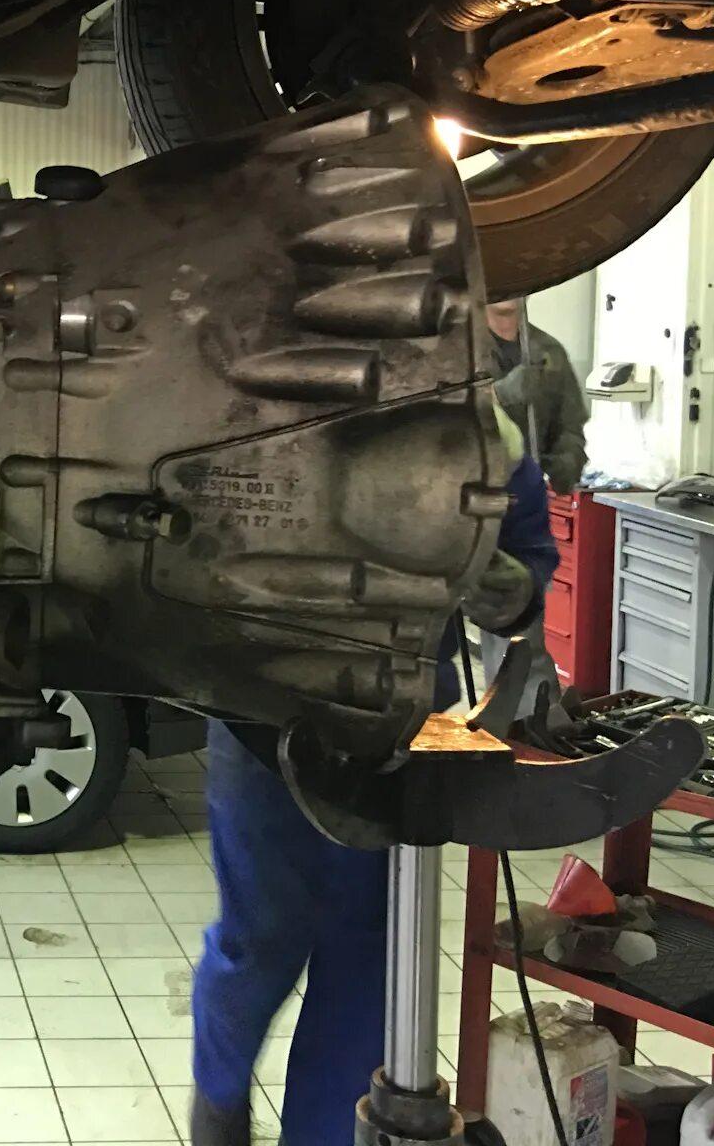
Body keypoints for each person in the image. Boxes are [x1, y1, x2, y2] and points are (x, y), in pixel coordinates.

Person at [188, 442, 560, 1146]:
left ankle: (324, 1136)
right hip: (259, 703)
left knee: (367, 952)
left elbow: (526, 563)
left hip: (398, 714)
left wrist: (507, 585)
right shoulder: (262, 412)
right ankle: (218, 1108)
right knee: (260, 936)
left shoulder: (484, 431)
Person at [486, 297, 589, 494]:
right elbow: (442, 414)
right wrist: (498, 394)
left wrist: (567, 462)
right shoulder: (458, 349)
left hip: (532, 495)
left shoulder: (550, 352)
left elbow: (570, 424)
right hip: (475, 496)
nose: (509, 291)